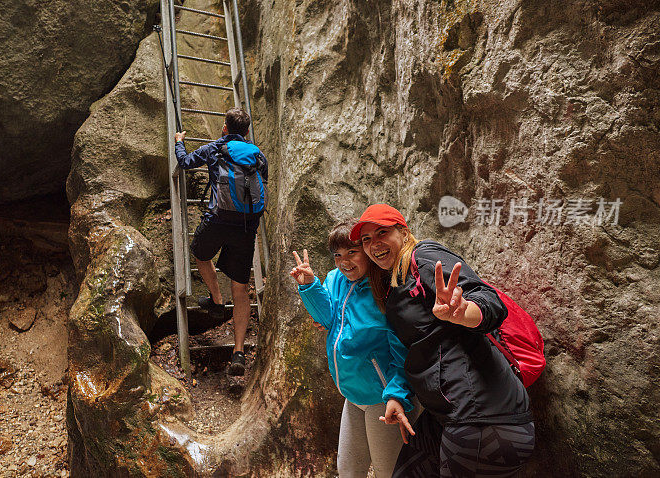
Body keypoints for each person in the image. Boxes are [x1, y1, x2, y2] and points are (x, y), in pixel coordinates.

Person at [350, 204, 535, 477]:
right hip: (447, 418)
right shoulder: (393, 285)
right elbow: (412, 351)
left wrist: (463, 313)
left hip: (486, 420)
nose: (374, 244)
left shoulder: (423, 257)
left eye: (382, 233)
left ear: (403, 231)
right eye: (366, 239)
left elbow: (490, 302)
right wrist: (397, 397)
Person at [290, 219, 419, 478]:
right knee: (348, 470)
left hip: (382, 399)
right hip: (352, 394)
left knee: (388, 472)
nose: (344, 261)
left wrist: (396, 395)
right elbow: (326, 318)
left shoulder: (385, 288)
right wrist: (309, 285)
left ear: (368, 253)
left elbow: (404, 351)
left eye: (352, 252)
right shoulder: (335, 278)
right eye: (337, 255)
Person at [174, 107, 267, 376]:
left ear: (225, 128)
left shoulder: (216, 148)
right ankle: (238, 352)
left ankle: (216, 300)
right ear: (247, 132)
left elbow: (185, 162)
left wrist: (180, 142)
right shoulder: (258, 155)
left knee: (200, 254)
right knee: (241, 288)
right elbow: (263, 183)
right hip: (247, 227)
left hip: (218, 220)